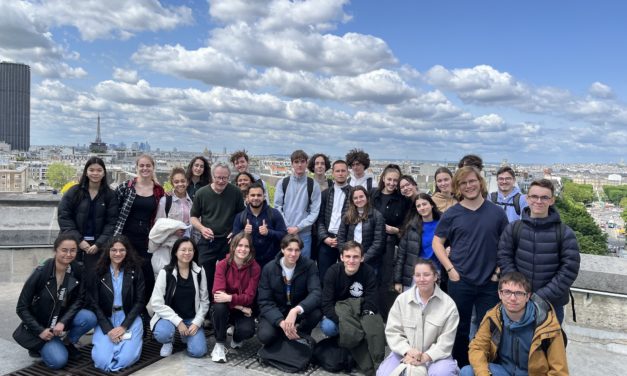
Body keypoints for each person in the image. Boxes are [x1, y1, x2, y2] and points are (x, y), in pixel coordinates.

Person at [432, 166, 509, 368]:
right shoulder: (452, 214)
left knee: (490, 329)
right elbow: (437, 242)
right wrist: (450, 270)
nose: (469, 186)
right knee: (459, 328)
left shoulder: (497, 213)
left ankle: (485, 367)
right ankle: (460, 366)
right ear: (458, 187)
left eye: (472, 181)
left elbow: (506, 245)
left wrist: (498, 273)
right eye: (463, 183)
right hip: (461, 280)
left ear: (480, 182)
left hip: (489, 283)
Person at [498, 179, 580, 324]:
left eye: (544, 197)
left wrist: (540, 296)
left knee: (548, 346)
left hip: (551, 304)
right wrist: (520, 291)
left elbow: (569, 270)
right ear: (527, 199)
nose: (539, 201)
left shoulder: (565, 233)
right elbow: (504, 259)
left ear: (552, 200)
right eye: (534, 196)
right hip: (518, 300)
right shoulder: (514, 229)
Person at [460, 272, 568, 376]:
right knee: (467, 372)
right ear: (500, 294)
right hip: (504, 371)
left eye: (519, 293)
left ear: (527, 296)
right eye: (507, 292)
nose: (512, 298)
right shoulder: (493, 317)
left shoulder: (547, 324)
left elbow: (559, 370)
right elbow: (478, 348)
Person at [15, 234, 97, 369]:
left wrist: (63, 322)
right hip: (41, 325)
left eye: (73, 250)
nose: (69, 254)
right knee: (58, 361)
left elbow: (79, 300)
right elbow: (21, 307)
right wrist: (40, 330)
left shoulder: (77, 269)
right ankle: (40, 346)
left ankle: (67, 342)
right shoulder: (41, 272)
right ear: (55, 250)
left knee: (89, 318)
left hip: (60, 319)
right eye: (64, 250)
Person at [378, 259, 459, 376]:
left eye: (426, 275)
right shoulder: (402, 300)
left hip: (437, 357)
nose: (421, 279)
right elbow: (393, 331)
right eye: (417, 275)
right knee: (384, 373)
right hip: (405, 352)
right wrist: (407, 351)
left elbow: (446, 341)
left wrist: (426, 356)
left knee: (444, 373)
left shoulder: (448, 305)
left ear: (435, 276)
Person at [321, 241, 384, 375]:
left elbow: (372, 299)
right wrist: (343, 323)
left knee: (374, 327)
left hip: (361, 310)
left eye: (355, 257)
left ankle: (377, 363)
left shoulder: (368, 272)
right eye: (348, 256)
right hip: (340, 313)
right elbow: (326, 303)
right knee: (328, 326)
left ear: (362, 258)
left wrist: (362, 318)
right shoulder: (332, 272)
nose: (351, 260)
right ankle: (343, 341)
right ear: (341, 257)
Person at [114, 154, 165, 305]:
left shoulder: (158, 191)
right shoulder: (126, 187)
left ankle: (143, 308)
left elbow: (162, 215)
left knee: (147, 275)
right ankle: (125, 306)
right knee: (125, 273)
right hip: (125, 238)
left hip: (146, 239)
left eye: (148, 165)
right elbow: (113, 212)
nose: (145, 168)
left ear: (153, 168)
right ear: (136, 168)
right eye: (141, 166)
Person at [190, 161, 245, 300]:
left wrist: (236, 230)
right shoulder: (202, 193)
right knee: (204, 276)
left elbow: (242, 215)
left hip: (229, 241)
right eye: (218, 177)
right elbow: (193, 217)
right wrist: (202, 228)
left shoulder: (235, 192)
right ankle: (206, 308)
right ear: (212, 176)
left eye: (225, 178)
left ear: (229, 177)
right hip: (208, 240)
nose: (221, 181)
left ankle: (226, 306)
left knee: (229, 276)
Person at [90, 235, 145, 372]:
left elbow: (140, 301)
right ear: (108, 251)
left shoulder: (135, 270)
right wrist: (109, 329)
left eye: (122, 250)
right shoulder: (98, 272)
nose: (118, 253)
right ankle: (112, 350)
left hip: (128, 318)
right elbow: (94, 304)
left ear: (127, 252)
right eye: (114, 250)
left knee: (125, 359)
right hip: (107, 318)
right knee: (101, 361)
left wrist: (124, 326)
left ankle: (128, 345)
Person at [257, 234, 322, 345]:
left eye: (297, 250)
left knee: (316, 313)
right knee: (265, 336)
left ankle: (300, 333)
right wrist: (281, 322)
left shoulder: (309, 265)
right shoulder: (269, 268)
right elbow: (264, 301)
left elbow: (316, 293)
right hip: (277, 310)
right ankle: (284, 331)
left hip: (297, 310)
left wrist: (296, 310)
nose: (293, 254)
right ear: (282, 249)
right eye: (289, 249)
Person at [149, 237, 209, 358]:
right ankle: (168, 342)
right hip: (169, 318)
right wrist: (178, 321)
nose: (187, 253)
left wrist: (197, 322)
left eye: (190, 250)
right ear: (175, 252)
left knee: (198, 352)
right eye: (183, 250)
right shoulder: (166, 272)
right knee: (162, 333)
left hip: (191, 318)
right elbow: (156, 303)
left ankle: (185, 335)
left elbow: (205, 300)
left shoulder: (199, 271)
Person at [58, 157, 118, 273]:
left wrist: (99, 244)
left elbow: (111, 223)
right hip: (73, 243)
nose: (95, 173)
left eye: (99, 170)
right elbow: (64, 217)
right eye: (91, 170)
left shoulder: (110, 195)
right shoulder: (74, 191)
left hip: (98, 246)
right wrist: (79, 241)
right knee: (71, 279)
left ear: (104, 173)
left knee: (93, 279)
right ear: (86, 172)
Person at [211, 232, 261, 362]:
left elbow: (249, 297)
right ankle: (219, 344)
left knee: (248, 331)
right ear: (233, 247)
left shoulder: (255, 267)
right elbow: (217, 294)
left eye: (246, 246)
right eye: (239, 245)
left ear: (250, 249)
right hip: (234, 307)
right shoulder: (222, 264)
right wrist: (240, 306)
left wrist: (229, 298)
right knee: (219, 308)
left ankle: (237, 337)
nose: (243, 249)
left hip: (242, 306)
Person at [371, 164, 411, 318]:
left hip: (389, 245)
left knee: (384, 280)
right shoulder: (373, 195)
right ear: (383, 178)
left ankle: (382, 315)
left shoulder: (402, 200)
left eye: (395, 180)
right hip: (371, 242)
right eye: (389, 179)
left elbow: (407, 225)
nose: (392, 183)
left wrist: (396, 230)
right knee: (370, 277)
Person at [273, 150, 322, 259]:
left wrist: (298, 228)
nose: (299, 165)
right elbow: (277, 207)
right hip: (285, 232)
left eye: (302, 161)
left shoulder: (313, 185)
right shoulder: (283, 183)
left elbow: (315, 212)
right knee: (285, 265)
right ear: (292, 164)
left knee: (303, 267)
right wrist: (287, 226)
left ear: (306, 163)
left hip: (304, 235)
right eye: (296, 162)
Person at [232, 181, 287, 268]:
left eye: (259, 195)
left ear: (264, 197)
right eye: (253, 195)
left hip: (271, 262)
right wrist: (244, 232)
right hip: (248, 262)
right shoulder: (240, 216)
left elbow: (284, 235)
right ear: (247, 197)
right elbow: (234, 239)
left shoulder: (274, 213)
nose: (256, 198)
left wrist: (269, 232)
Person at [394, 193, 442, 292]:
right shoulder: (411, 227)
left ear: (431, 205)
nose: (422, 208)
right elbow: (401, 255)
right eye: (418, 206)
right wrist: (398, 280)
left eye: (424, 204)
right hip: (415, 273)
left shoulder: (442, 224)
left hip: (437, 271)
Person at [317, 159, 351, 282]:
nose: (340, 173)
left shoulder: (354, 194)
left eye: (343, 171)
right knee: (324, 276)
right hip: (327, 240)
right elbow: (320, 219)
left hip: (346, 241)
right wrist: (325, 238)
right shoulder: (325, 194)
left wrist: (343, 239)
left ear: (348, 172)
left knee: (346, 277)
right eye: (337, 171)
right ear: (333, 173)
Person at [336, 186, 386, 271]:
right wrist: (347, 255)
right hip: (350, 260)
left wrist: (363, 258)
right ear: (352, 200)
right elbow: (341, 238)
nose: (359, 200)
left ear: (367, 197)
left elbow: (378, 242)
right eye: (355, 198)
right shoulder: (347, 216)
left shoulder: (377, 216)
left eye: (361, 196)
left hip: (370, 261)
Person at [156, 167, 193, 237]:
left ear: (187, 182)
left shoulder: (191, 202)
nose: (180, 184)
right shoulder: (165, 201)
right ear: (172, 184)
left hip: (187, 243)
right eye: (176, 182)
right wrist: (173, 231)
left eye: (183, 181)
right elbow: (158, 224)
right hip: (170, 243)